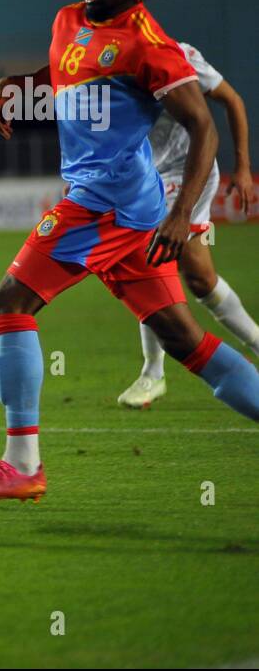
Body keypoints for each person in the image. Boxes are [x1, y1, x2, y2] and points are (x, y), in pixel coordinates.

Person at [0, 0, 259, 503]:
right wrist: (14, 86)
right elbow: (66, 73)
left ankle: (23, 466)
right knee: (186, 342)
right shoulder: (69, 19)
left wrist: (183, 217)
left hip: (108, 206)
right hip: (122, 209)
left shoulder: (151, 46)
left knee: (10, 300)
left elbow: (204, 125)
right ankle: (23, 467)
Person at [117, 42, 258, 407]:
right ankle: (155, 373)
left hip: (188, 170)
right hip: (147, 174)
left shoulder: (179, 55)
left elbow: (233, 101)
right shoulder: (105, 62)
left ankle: (154, 373)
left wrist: (242, 166)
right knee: (191, 277)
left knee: (164, 263)